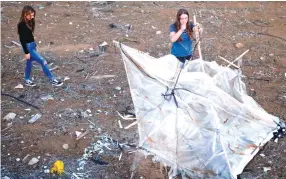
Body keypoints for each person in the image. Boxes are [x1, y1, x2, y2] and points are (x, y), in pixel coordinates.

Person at [18, 5, 63, 87]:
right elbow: (22, 39)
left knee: (29, 63)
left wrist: (34, 45)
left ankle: (27, 79)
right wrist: (26, 52)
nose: (32, 17)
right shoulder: (21, 25)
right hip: (28, 47)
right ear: (25, 14)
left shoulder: (30, 22)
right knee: (42, 61)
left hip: (32, 45)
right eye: (30, 15)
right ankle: (53, 79)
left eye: (33, 15)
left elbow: (30, 35)